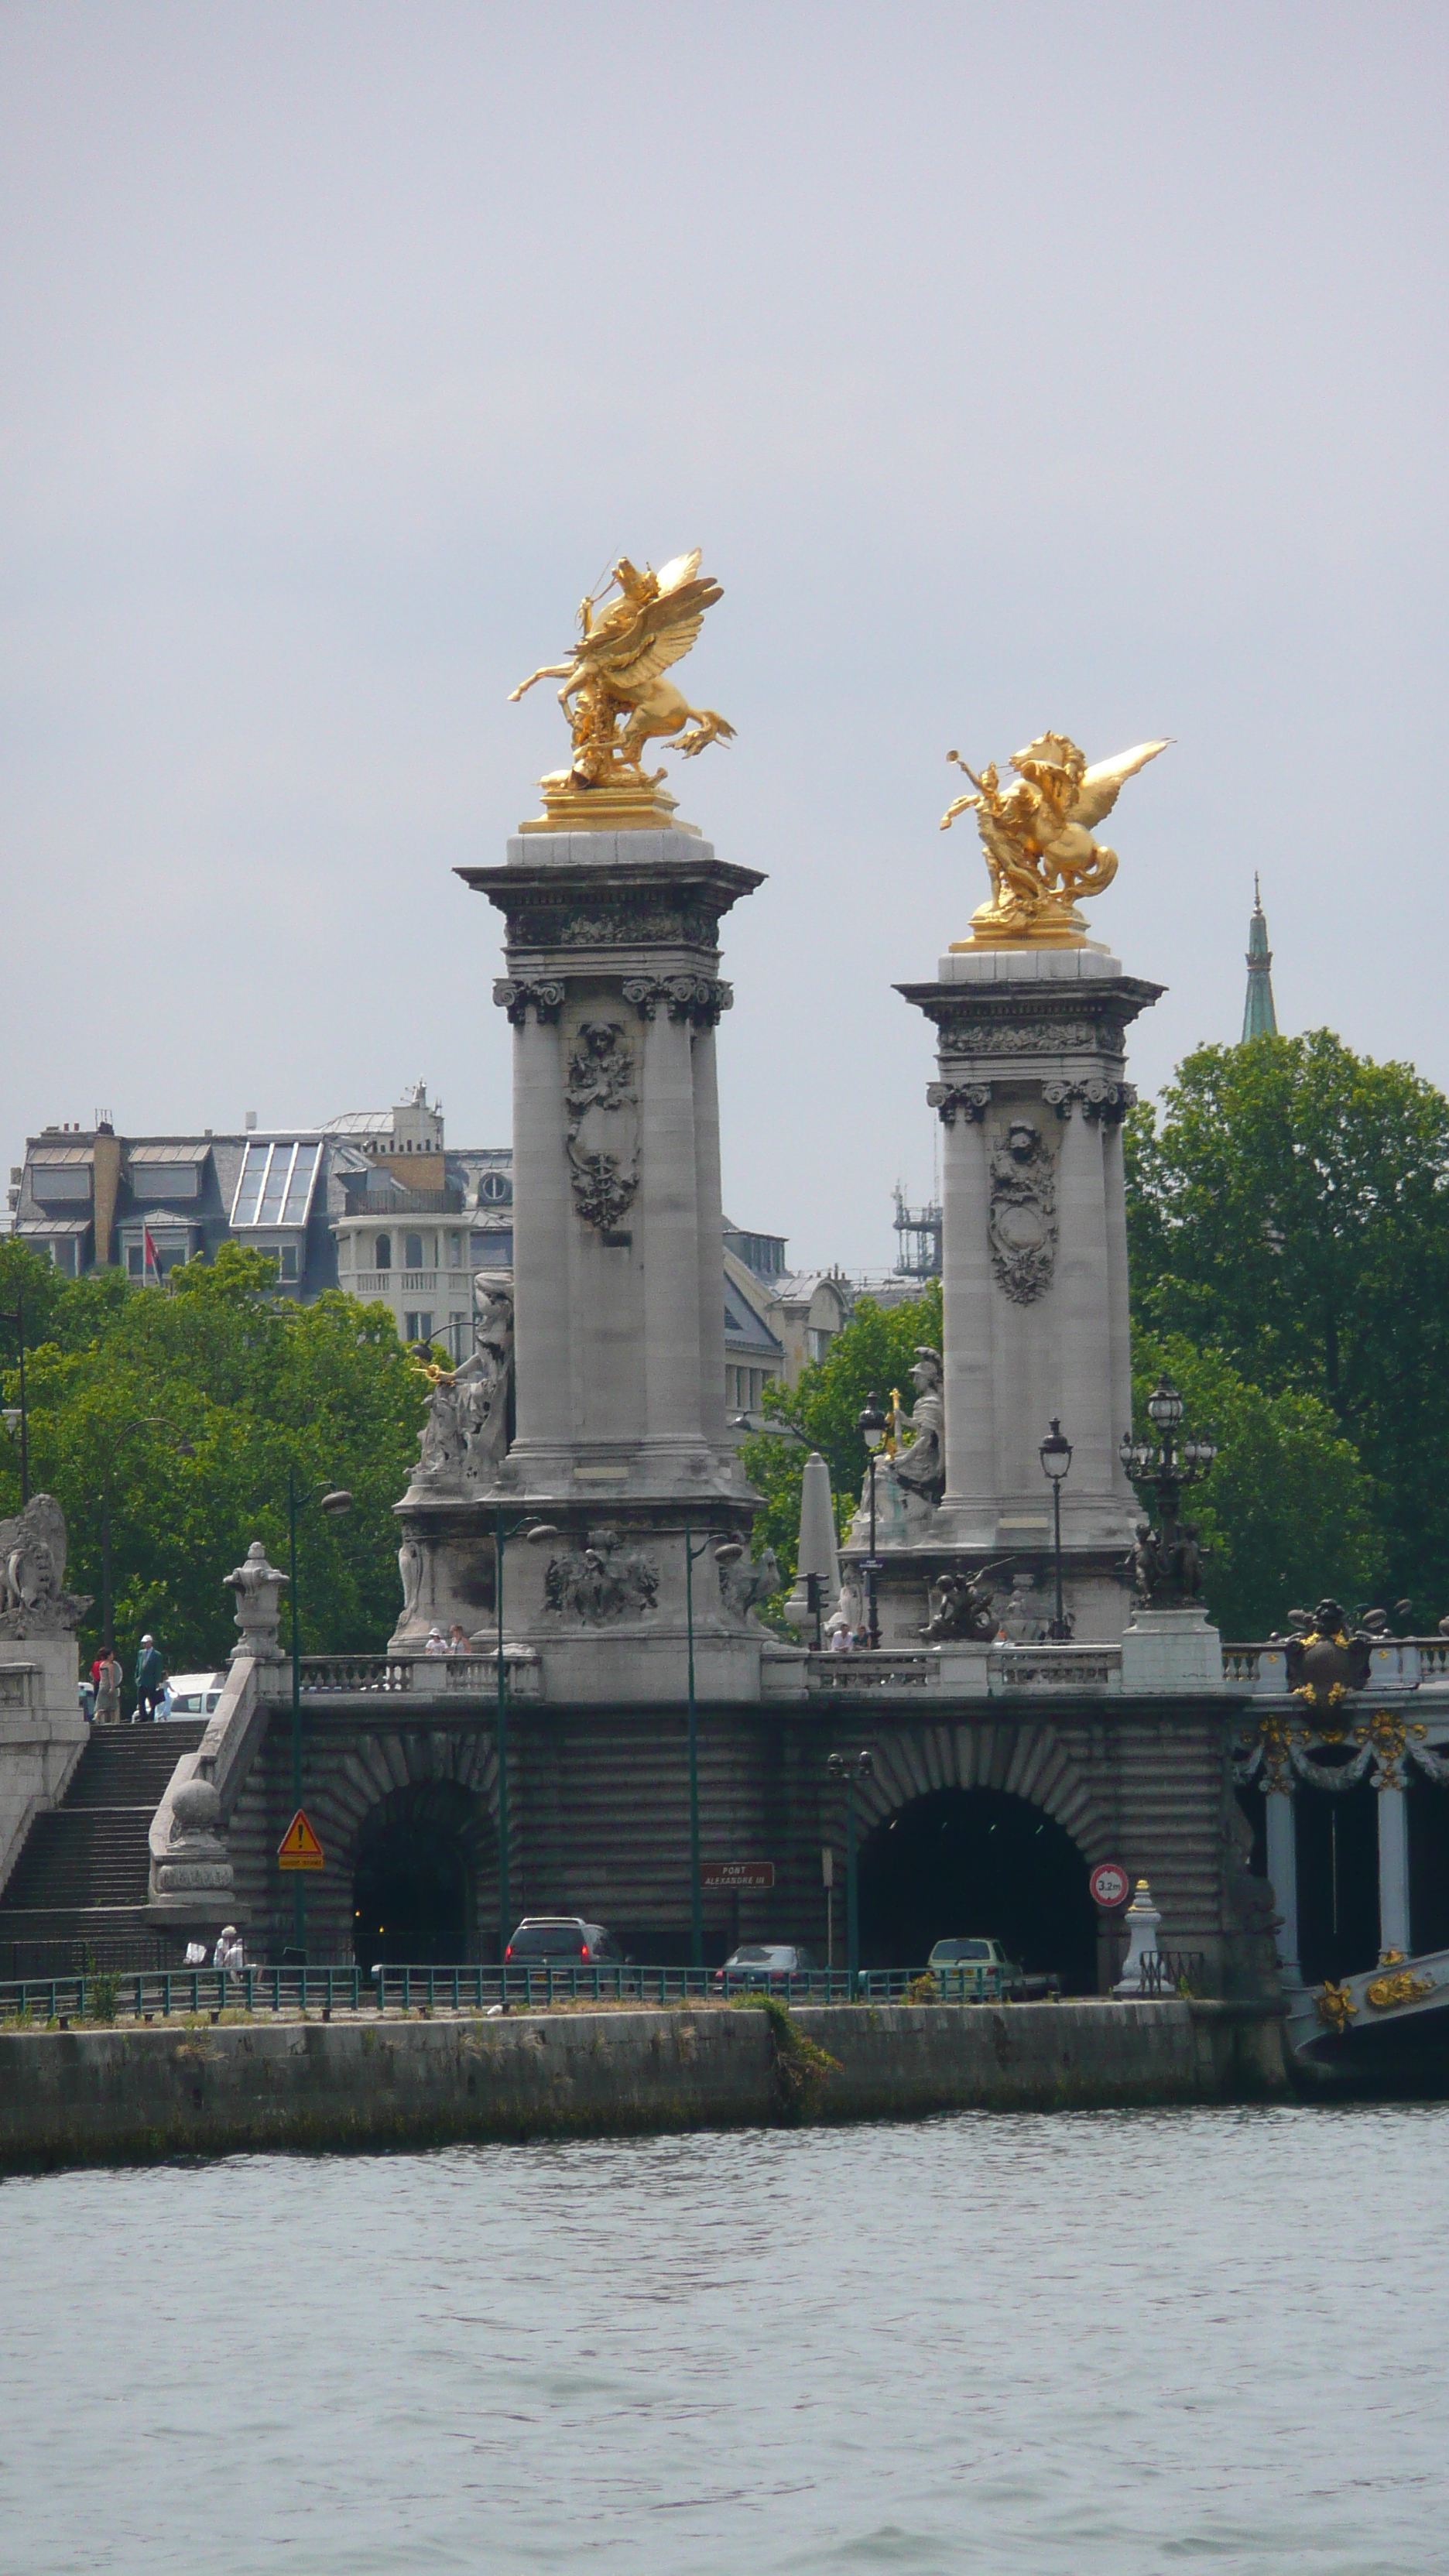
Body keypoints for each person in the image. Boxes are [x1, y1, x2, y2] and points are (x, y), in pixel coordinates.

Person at [134, 1633, 164, 1722]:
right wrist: (136, 1677)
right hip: (141, 1681)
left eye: (146, 1643)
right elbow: (138, 1666)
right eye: (143, 1643)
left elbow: (158, 1669)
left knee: (152, 1700)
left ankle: (151, 1716)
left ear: (150, 1643)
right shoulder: (141, 1653)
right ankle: (143, 1716)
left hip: (151, 1681)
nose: (144, 1645)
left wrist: (157, 1681)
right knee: (140, 1700)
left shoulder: (157, 1655)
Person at [93, 1647, 122, 1726]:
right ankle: (113, 1722)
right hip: (108, 1686)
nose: (113, 1656)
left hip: (102, 1686)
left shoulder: (101, 1665)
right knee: (113, 1706)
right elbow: (111, 1678)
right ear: (109, 1656)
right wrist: (112, 1688)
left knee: (102, 1705)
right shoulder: (110, 1665)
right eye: (111, 1654)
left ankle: (96, 1717)